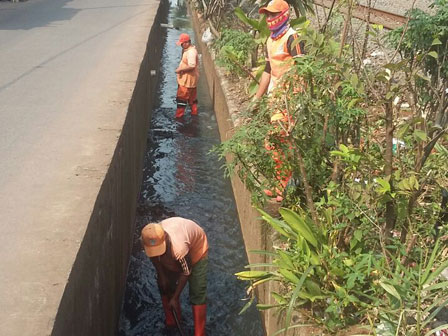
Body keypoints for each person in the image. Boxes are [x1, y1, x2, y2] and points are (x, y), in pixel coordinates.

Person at [141, 217, 208, 336]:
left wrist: (175, 297)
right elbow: (154, 257)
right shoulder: (148, 238)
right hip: (171, 252)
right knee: (164, 285)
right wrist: (162, 276)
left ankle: (200, 333)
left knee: (197, 291)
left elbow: (186, 272)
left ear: (165, 239)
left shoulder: (179, 249)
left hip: (196, 248)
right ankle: (172, 321)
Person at [255, 0, 304, 98]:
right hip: (274, 97)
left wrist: (299, 100)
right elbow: (268, 70)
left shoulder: (292, 38)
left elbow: (302, 70)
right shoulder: (270, 40)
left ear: (284, 15)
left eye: (273, 15)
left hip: (290, 98)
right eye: (267, 15)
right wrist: (256, 99)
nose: (269, 19)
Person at [175, 33, 200, 118]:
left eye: (182, 44)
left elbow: (192, 65)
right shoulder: (189, 50)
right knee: (192, 100)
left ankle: (179, 117)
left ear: (186, 43)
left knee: (181, 99)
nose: (181, 45)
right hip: (191, 81)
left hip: (187, 81)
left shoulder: (191, 52)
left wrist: (180, 70)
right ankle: (194, 115)